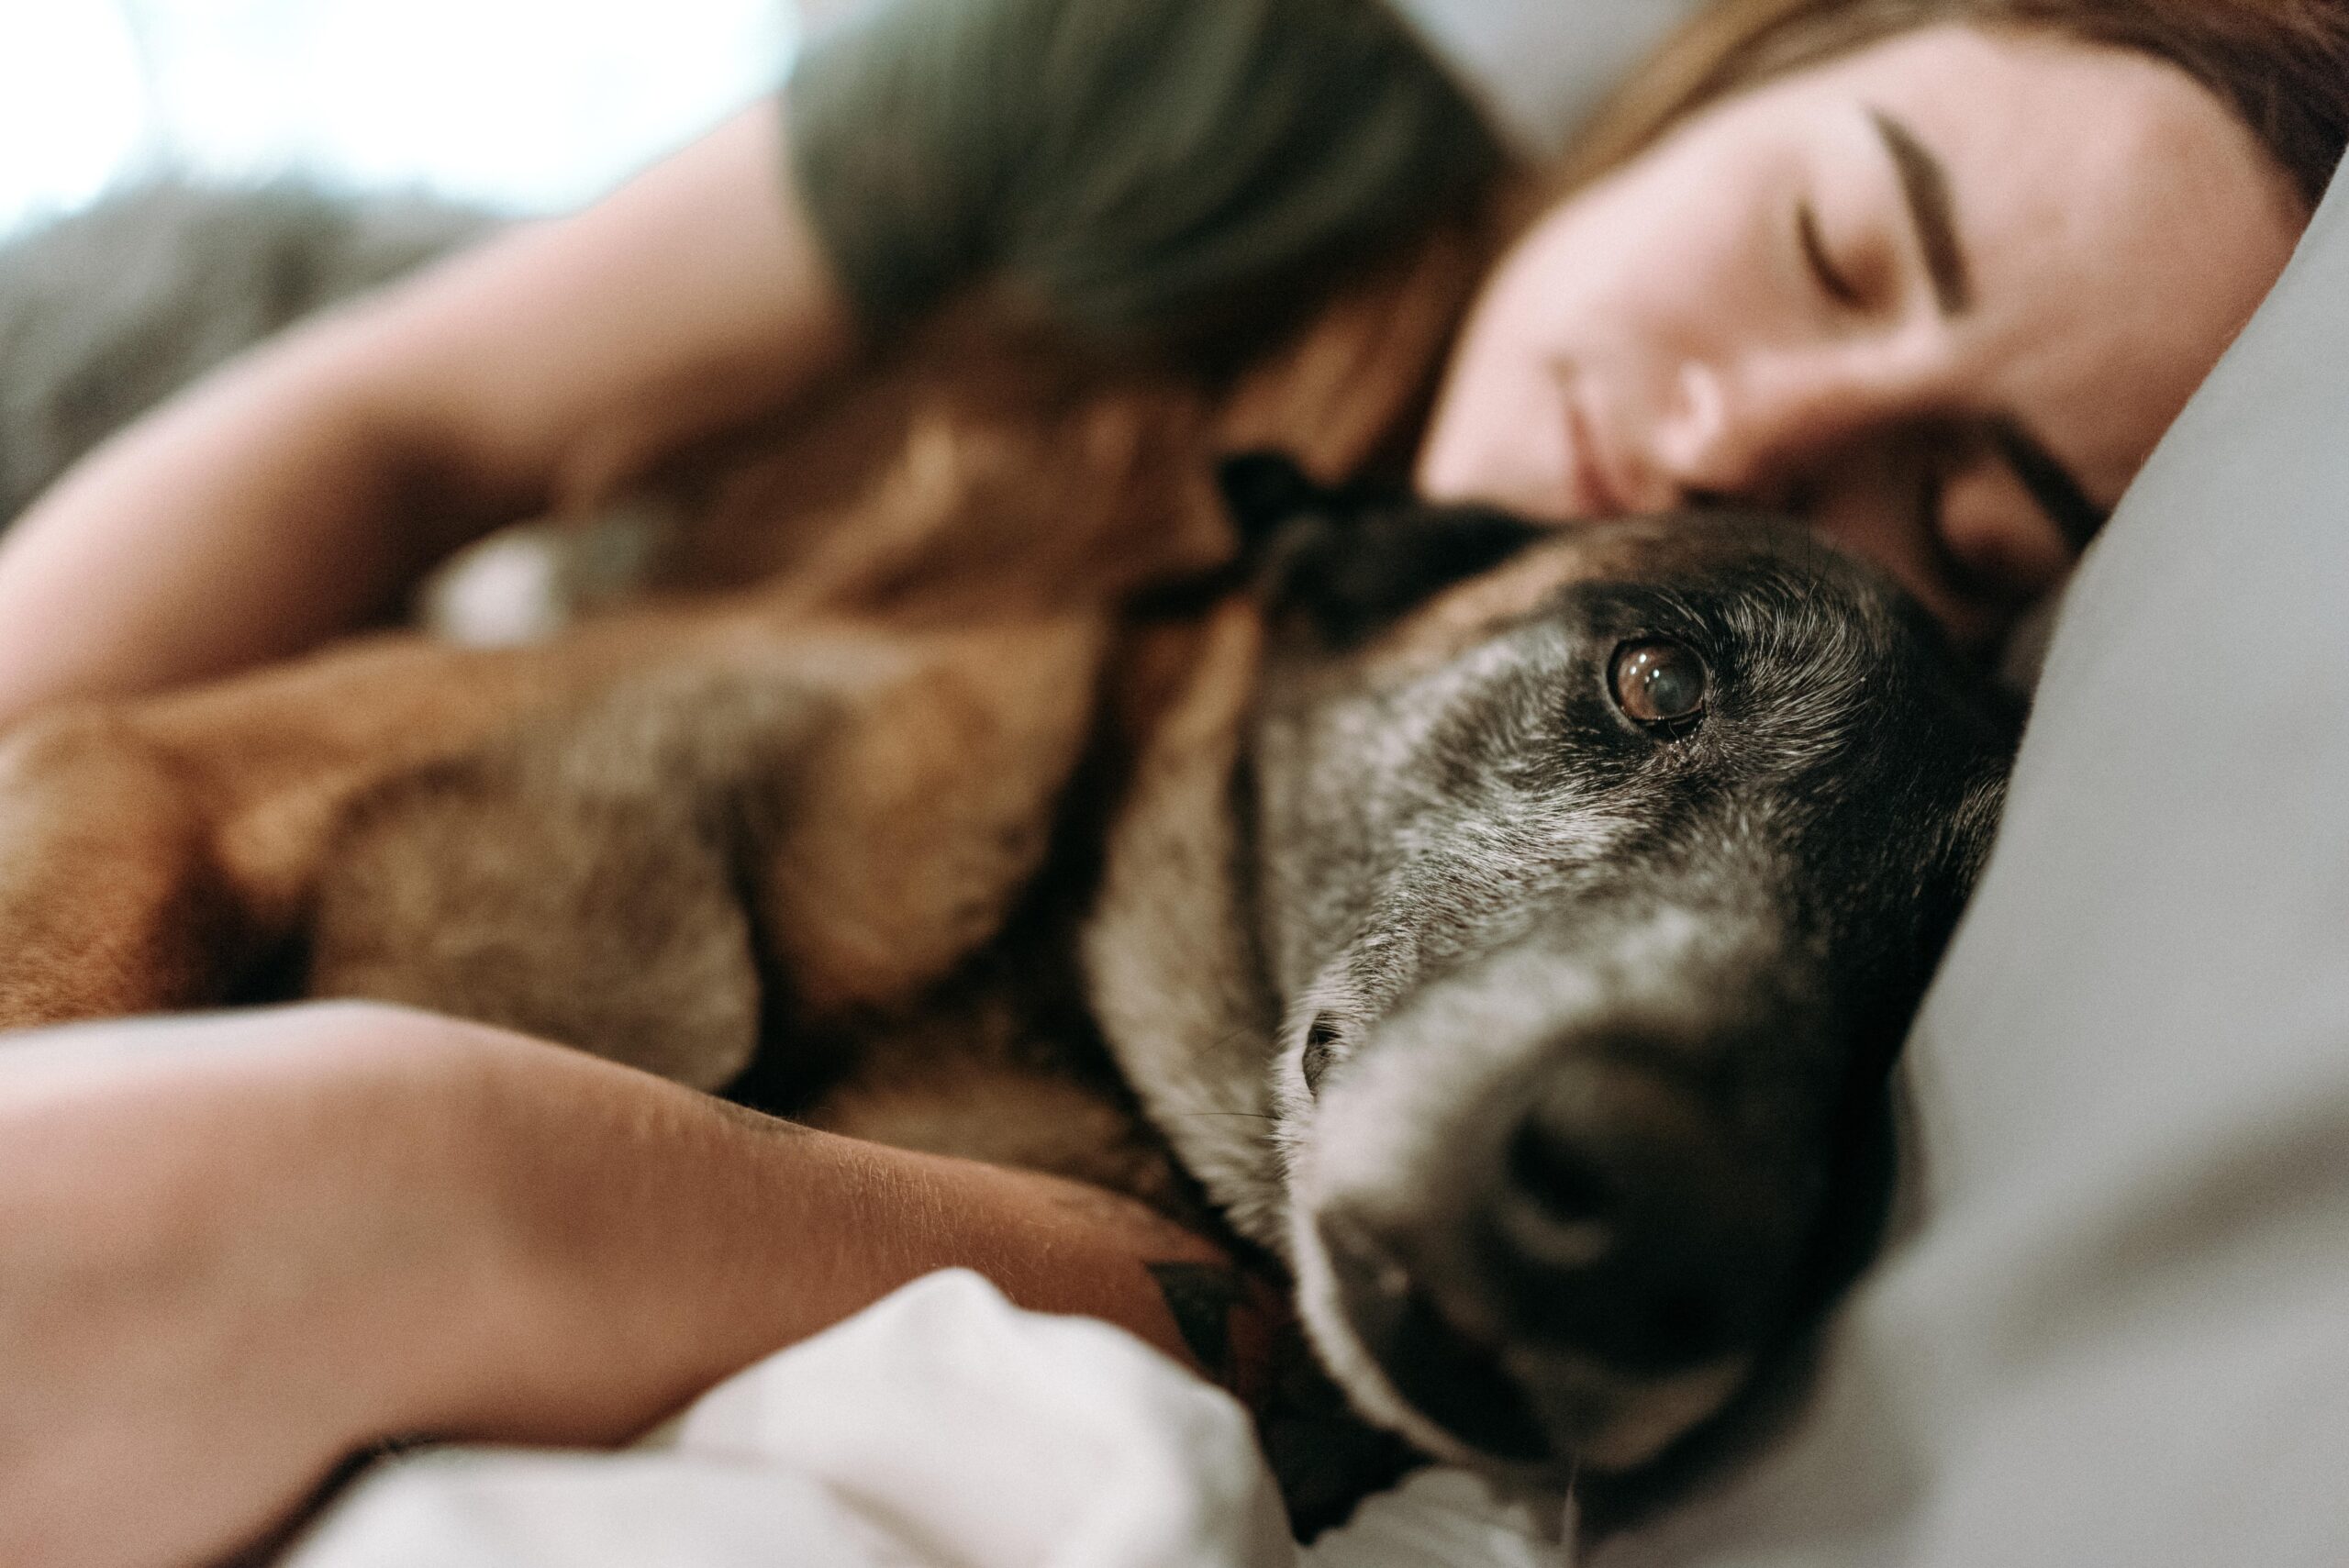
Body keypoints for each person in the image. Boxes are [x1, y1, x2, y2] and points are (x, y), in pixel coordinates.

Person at [0, 1, 2343, 1563]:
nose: (1736, 445)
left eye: (1960, 538)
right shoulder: (1216, 88)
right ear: (1717, 84)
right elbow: (384, 441)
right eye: (1830, 250)